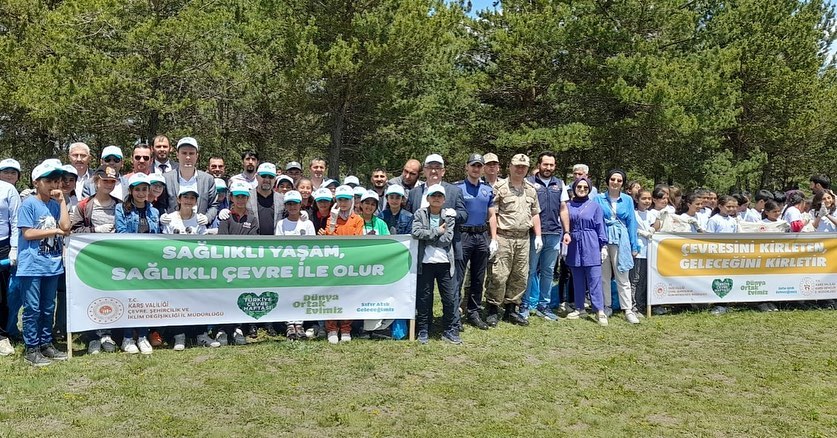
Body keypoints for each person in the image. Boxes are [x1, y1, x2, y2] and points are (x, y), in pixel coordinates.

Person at [17, 161, 70, 366]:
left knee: (48, 307)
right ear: (36, 182)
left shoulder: (55, 205)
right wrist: (55, 231)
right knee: (32, 308)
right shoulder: (29, 204)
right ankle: (32, 348)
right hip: (31, 265)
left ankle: (46, 343)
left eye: (56, 181)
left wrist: (63, 202)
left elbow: (65, 227)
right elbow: (28, 233)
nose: (53, 185)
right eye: (48, 180)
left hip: (52, 264)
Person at [485, 153, 541, 327]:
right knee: (499, 275)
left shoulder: (531, 189)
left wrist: (538, 235)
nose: (520, 169)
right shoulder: (500, 187)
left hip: (523, 238)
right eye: (517, 166)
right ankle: (492, 309)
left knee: (520, 276)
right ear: (509, 166)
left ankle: (511, 309)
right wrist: (493, 238)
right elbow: (492, 213)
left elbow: (535, 213)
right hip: (503, 236)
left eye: (523, 167)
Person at [161, 187, 220, 350]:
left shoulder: (200, 220)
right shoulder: (169, 218)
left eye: (192, 198)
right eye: (185, 197)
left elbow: (203, 243)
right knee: (177, 302)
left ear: (196, 201)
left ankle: (201, 335)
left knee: (198, 300)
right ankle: (179, 336)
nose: (188, 200)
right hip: (175, 268)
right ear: (179, 199)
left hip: (195, 268)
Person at [114, 173, 160, 354]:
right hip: (129, 260)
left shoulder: (155, 212)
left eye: (144, 189)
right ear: (131, 191)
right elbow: (121, 231)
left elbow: (158, 236)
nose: (141, 193)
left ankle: (142, 336)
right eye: (137, 189)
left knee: (145, 299)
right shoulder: (121, 209)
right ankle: (127, 338)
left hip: (148, 262)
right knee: (129, 298)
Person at [523, 151, 570, 321]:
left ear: (555, 166)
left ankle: (544, 305)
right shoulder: (528, 182)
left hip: (554, 234)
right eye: (545, 164)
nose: (548, 168)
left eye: (551, 165)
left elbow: (563, 209)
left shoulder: (559, 184)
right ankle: (525, 306)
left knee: (549, 271)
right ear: (539, 165)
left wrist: (566, 231)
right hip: (533, 234)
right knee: (529, 271)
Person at [412, 184, 459, 344]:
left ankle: (449, 329)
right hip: (425, 263)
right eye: (433, 196)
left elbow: (447, 240)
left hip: (445, 263)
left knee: (449, 298)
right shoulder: (420, 213)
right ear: (428, 198)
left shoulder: (449, 216)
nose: (436, 198)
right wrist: (437, 231)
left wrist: (429, 237)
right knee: (425, 297)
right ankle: (424, 329)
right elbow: (416, 232)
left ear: (444, 199)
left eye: (440, 196)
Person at [454, 154, 495, 330]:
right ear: (467, 167)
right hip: (463, 235)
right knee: (458, 277)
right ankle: (454, 313)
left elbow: (492, 215)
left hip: (481, 236)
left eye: (479, 166)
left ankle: (473, 312)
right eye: (473, 166)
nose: (476, 169)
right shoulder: (458, 188)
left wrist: (494, 238)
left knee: (478, 277)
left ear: (483, 168)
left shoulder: (487, 190)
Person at [594, 169, 640, 323]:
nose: (615, 182)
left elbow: (632, 223)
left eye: (619, 180)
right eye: (613, 179)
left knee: (623, 275)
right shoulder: (598, 198)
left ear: (622, 183)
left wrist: (634, 245)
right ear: (608, 181)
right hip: (603, 239)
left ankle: (627, 309)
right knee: (604, 276)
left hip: (621, 239)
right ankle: (606, 306)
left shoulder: (627, 200)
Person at [216, 181, 258, 346]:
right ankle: (222, 328)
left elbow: (252, 242)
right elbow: (222, 243)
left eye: (243, 196)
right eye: (237, 196)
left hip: (244, 265)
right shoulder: (225, 218)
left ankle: (238, 327)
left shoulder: (253, 219)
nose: (240, 199)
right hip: (227, 266)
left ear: (247, 198)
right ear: (231, 197)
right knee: (224, 297)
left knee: (241, 295)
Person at [321, 185, 364, 343]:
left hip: (350, 263)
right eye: (340, 199)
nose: (343, 203)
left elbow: (358, 239)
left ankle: (346, 329)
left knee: (348, 296)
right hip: (333, 264)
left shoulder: (357, 219)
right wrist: (332, 221)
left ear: (352, 200)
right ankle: (331, 329)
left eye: (346, 199)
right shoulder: (331, 217)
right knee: (331, 296)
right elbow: (328, 240)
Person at [565, 178, 609, 326]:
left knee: (594, 278)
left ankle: (599, 310)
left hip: (591, 242)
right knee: (577, 277)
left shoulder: (595, 206)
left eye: (585, 187)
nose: (582, 189)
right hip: (574, 242)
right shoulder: (568, 205)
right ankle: (579, 307)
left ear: (589, 189)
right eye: (579, 186)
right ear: (574, 187)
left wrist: (603, 245)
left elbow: (600, 226)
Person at [274, 190, 315, 340]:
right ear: (285, 206)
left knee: (301, 294)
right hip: (287, 266)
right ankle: (289, 325)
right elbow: (279, 246)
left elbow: (313, 245)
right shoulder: (281, 224)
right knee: (288, 294)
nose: (292, 207)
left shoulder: (308, 223)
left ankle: (300, 324)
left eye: (295, 204)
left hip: (304, 266)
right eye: (289, 204)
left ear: (300, 205)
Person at [161, 137, 218, 225]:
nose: (188, 157)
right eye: (184, 153)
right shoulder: (166, 178)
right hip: (172, 232)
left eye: (191, 153)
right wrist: (162, 215)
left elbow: (214, 205)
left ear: (197, 156)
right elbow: (160, 204)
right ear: (177, 155)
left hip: (199, 231)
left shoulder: (208, 179)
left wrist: (208, 217)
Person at [0, 176, 20, 356]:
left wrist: (14, 248)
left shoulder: (7, 189)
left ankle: (2, 336)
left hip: (3, 246)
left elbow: (15, 220)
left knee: (2, 295)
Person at [631, 189, 658, 316]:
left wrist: (653, 228)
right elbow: (629, 227)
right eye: (644, 199)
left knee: (644, 280)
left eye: (649, 198)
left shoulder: (651, 214)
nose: (647, 201)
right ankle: (632, 306)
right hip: (638, 251)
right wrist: (640, 232)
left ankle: (641, 304)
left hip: (650, 252)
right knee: (635, 279)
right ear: (637, 199)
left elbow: (658, 222)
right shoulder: (633, 213)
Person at [71, 167, 121, 234]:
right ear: (96, 181)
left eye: (112, 181)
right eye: (105, 181)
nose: (109, 184)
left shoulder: (121, 205)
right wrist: (95, 230)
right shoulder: (83, 205)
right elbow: (75, 230)